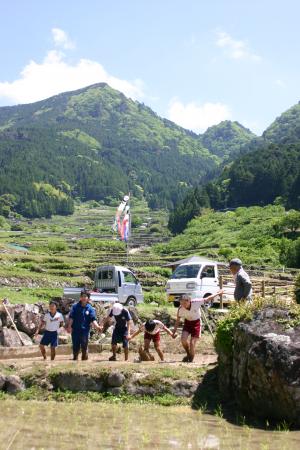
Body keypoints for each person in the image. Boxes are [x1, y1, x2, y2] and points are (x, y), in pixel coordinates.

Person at [173, 291, 223, 363]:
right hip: (187, 323)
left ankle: (191, 360)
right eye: (181, 303)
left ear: (189, 301)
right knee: (183, 340)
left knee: (192, 343)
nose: (183, 305)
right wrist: (174, 331)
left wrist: (218, 293)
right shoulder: (180, 309)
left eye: (184, 303)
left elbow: (208, 298)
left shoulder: (196, 302)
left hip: (196, 323)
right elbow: (178, 320)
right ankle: (188, 354)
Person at [67, 291, 101, 360]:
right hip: (75, 330)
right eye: (82, 296)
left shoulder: (90, 308)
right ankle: (75, 358)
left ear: (88, 298)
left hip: (85, 331)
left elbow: (93, 319)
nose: (84, 298)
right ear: (80, 297)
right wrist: (69, 326)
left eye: (85, 296)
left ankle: (84, 358)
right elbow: (71, 317)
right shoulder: (75, 307)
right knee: (75, 346)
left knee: (84, 345)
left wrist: (97, 326)